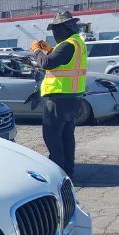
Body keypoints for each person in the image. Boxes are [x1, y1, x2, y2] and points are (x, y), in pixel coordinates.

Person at [30, 11, 87, 179]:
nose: (54, 33)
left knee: (52, 136)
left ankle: (57, 173)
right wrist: (49, 49)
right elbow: (62, 59)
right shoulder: (78, 43)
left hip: (59, 98)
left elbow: (47, 63)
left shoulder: (68, 44)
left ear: (65, 28)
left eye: (55, 30)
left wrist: (36, 51)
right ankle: (68, 171)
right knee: (66, 136)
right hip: (73, 97)